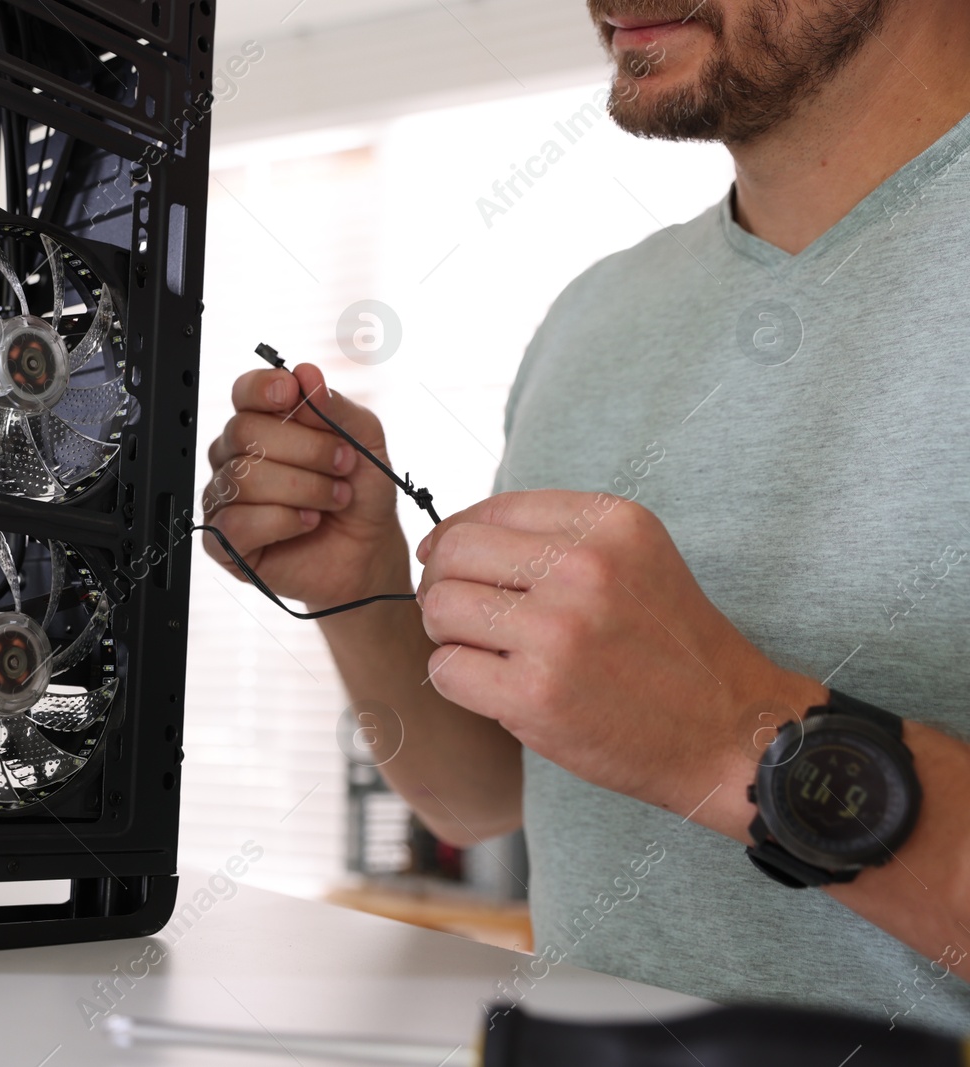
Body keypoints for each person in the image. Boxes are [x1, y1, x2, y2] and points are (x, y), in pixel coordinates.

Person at [201, 0, 970, 1033]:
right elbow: (483, 794)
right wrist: (358, 581)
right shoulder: (594, 318)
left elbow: (697, 732)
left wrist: (728, 737)